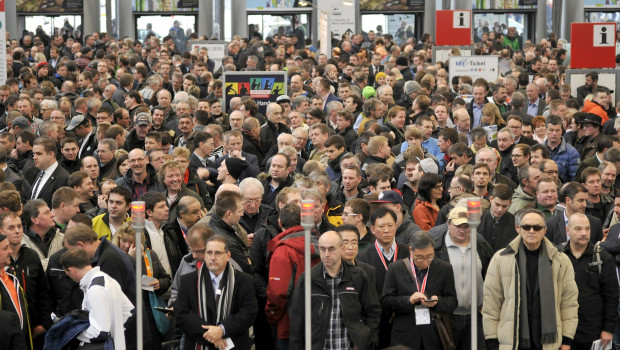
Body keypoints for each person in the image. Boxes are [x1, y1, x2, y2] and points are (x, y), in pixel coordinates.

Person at [482, 208, 579, 350]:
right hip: (513, 339)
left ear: (545, 230)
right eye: (527, 227)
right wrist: (491, 339)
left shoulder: (560, 260)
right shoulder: (500, 259)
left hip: (548, 340)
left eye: (537, 227)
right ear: (517, 228)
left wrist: (566, 339)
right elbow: (491, 302)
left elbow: (569, 302)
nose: (532, 231)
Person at [289, 230, 382, 350]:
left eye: (331, 249)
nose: (326, 254)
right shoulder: (308, 279)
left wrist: (367, 340)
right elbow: (297, 320)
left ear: (341, 249)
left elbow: (373, 311)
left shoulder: (358, 276)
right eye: (322, 249)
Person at [174, 235, 258, 350]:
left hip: (233, 343)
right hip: (198, 342)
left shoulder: (244, 281)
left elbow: (248, 313)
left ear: (228, 256)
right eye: (209, 253)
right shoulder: (188, 281)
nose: (212, 258)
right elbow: (181, 313)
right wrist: (211, 333)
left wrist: (222, 329)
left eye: (218, 253)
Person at [381, 230, 458, 348]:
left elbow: (452, 301)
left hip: (434, 334)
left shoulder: (444, 268)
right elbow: (386, 301)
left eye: (429, 256)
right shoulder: (395, 268)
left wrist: (438, 302)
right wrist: (408, 300)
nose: (425, 261)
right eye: (420, 257)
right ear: (411, 250)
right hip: (405, 335)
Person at [265, 203, 320, 350]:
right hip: (319, 321)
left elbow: (278, 292)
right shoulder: (322, 243)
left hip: (289, 326)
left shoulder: (283, 251)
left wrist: (272, 316)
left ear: (280, 222)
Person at [563, 212, 618, 350]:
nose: (584, 233)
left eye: (587, 229)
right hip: (564, 331)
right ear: (567, 230)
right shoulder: (559, 256)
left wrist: (608, 329)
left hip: (593, 331)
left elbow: (612, 296)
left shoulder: (603, 258)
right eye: (578, 229)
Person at [60, 249, 134, 350]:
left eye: (68, 274)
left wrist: (72, 332)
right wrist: (115, 332)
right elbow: (129, 311)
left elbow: (99, 332)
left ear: (72, 270)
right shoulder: (107, 279)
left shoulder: (95, 288)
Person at [357, 207, 410, 347]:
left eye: (390, 225)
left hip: (404, 318)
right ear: (373, 229)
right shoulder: (363, 257)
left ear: (396, 226)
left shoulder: (408, 252)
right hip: (377, 321)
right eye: (381, 226)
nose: (386, 230)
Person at [2, 211, 53, 350]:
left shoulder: (31, 256)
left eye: (19, 226)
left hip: (33, 328)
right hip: (7, 333)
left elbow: (43, 291)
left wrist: (44, 323)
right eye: (11, 228)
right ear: (1, 231)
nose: (17, 231)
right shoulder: (2, 261)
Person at [24, 137, 70, 207]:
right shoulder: (41, 172)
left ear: (51, 154)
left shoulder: (63, 178)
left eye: (39, 154)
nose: (34, 157)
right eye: (34, 154)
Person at [478, 184, 519, 251]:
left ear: (510, 203)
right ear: (491, 199)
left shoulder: (515, 223)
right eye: (497, 204)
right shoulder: (478, 220)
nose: (500, 209)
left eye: (504, 206)